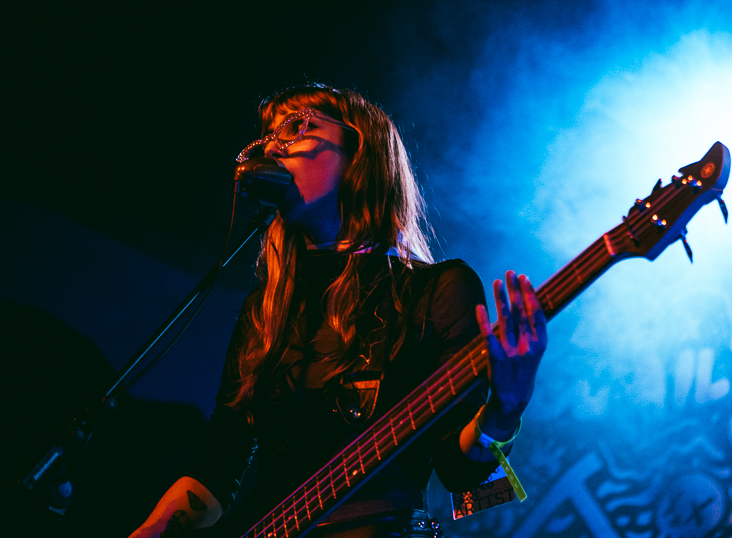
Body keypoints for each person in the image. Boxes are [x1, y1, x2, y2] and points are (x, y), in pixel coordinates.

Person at [129, 85, 547, 538]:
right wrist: (151, 529)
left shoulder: (437, 291)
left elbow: (466, 482)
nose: (273, 148)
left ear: (360, 154)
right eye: (269, 136)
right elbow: (218, 466)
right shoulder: (265, 309)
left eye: (296, 127)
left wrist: (506, 410)